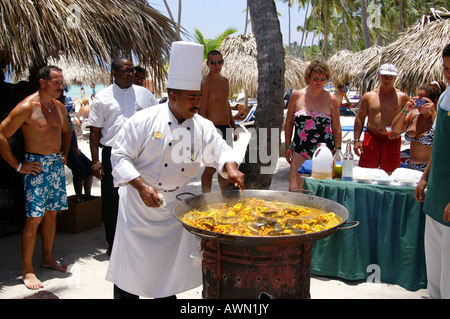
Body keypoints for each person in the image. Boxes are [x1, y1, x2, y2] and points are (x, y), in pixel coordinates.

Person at [106, 41, 244, 299]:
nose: (197, 103)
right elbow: (120, 156)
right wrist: (141, 186)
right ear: (172, 97)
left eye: (198, 98)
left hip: (173, 208)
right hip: (138, 206)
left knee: (165, 269)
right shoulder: (145, 120)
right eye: (192, 98)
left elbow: (220, 149)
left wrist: (231, 167)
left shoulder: (201, 125)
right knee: (131, 269)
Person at [0, 65, 72, 290]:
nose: (61, 87)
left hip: (55, 167)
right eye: (56, 83)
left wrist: (65, 154)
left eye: (61, 83)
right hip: (36, 168)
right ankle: (27, 270)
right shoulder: (27, 107)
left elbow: (67, 131)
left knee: (51, 215)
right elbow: (2, 133)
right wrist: (19, 165)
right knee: (34, 218)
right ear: (42, 83)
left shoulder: (59, 107)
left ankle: (47, 258)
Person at [86, 57, 158, 255]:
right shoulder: (102, 97)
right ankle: (114, 245)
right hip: (112, 154)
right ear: (114, 73)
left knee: (142, 196)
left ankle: (142, 242)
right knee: (112, 200)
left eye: (132, 71)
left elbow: (158, 121)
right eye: (126, 71)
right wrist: (95, 161)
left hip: (143, 153)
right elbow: (95, 131)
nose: (131, 74)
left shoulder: (145, 95)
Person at [415, 43, 450, 299]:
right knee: (435, 257)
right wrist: (424, 178)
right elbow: (439, 145)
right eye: (446, 69)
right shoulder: (447, 95)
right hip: (436, 189)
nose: (447, 74)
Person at [284, 60, 341, 191]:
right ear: (308, 78)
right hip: (299, 149)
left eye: (323, 79)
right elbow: (289, 122)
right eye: (315, 78)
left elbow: (337, 127)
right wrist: (287, 146)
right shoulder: (297, 95)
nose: (319, 82)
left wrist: (338, 150)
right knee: (295, 189)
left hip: (325, 151)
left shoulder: (331, 98)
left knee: (321, 190)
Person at [353, 63, 410, 175]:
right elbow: (360, 118)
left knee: (390, 174)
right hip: (372, 137)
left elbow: (409, 119)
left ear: (395, 78)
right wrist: (356, 140)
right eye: (384, 76)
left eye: (390, 77)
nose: (387, 80)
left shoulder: (402, 97)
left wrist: (401, 131)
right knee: (366, 172)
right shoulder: (369, 96)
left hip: (392, 139)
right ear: (378, 75)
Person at [199, 50, 238, 193]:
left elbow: (226, 105)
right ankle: (206, 199)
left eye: (219, 62)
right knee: (210, 168)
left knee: (225, 167)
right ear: (208, 64)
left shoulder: (225, 81)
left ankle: (225, 198)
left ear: (223, 62)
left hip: (226, 128)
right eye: (213, 63)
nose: (217, 66)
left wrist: (233, 126)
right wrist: (205, 133)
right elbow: (201, 112)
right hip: (212, 129)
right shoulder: (205, 84)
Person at [392, 81, 446, 171]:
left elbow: (442, 138)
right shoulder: (414, 115)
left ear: (435, 101)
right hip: (411, 166)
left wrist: (433, 113)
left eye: (423, 101)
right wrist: (405, 110)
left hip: (430, 168)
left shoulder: (439, 119)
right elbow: (395, 129)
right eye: (418, 100)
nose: (419, 105)